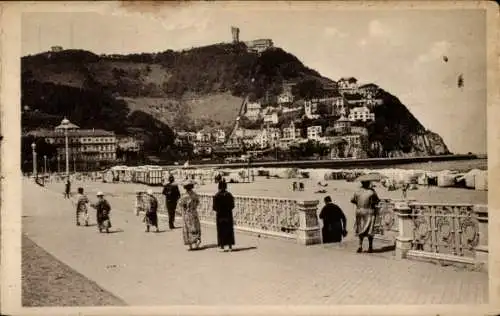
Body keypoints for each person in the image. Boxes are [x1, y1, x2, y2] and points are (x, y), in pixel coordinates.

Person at [351, 180, 380, 253]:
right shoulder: (372, 192)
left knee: (360, 229)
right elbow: (377, 200)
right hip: (369, 211)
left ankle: (360, 246)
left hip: (359, 212)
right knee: (370, 230)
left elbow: (352, 200)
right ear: (368, 183)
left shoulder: (357, 191)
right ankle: (370, 247)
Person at [178, 180, 201, 250]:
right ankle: (196, 243)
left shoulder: (184, 196)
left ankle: (190, 245)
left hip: (187, 214)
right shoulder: (195, 195)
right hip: (194, 213)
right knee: (195, 227)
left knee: (188, 228)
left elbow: (180, 204)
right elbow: (197, 202)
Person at [213, 181, 235, 252]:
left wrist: (219, 210)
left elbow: (214, 207)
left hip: (220, 215)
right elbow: (232, 205)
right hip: (228, 215)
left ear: (219, 187)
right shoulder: (229, 195)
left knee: (221, 230)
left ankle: (222, 246)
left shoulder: (217, 195)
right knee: (229, 230)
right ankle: (230, 246)